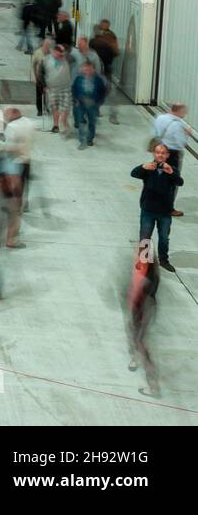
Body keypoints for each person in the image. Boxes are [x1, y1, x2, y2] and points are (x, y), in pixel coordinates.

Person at [132, 144, 183, 273]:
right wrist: (142, 167)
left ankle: (164, 260)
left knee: (164, 237)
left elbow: (180, 182)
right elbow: (134, 173)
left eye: (163, 153)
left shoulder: (172, 169)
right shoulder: (148, 168)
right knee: (145, 236)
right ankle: (143, 261)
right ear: (154, 154)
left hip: (164, 211)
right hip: (148, 209)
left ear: (167, 155)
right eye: (157, 152)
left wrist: (171, 172)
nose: (160, 155)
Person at [127, 250, 161, 398]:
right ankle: (135, 356)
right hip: (141, 307)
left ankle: (154, 387)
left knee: (141, 341)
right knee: (133, 332)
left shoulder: (147, 278)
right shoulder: (148, 273)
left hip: (143, 307)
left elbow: (141, 293)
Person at [1, 106, 36, 206]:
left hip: (15, 161)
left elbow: (9, 147)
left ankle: (16, 205)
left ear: (12, 114)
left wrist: (2, 146)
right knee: (24, 183)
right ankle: (25, 202)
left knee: (14, 184)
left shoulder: (12, 126)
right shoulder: (30, 122)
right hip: (27, 159)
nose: (5, 117)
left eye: (5, 114)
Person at [89, 19, 120, 124]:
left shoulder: (111, 37)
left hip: (106, 69)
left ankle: (112, 115)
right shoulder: (94, 41)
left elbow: (116, 51)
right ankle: (97, 110)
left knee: (110, 91)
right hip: (96, 70)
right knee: (98, 91)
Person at [71, 61, 107, 149]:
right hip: (81, 103)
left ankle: (90, 139)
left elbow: (103, 91)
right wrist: (75, 100)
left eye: (89, 69)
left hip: (93, 104)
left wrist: (99, 102)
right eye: (85, 68)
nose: (87, 71)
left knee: (92, 122)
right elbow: (74, 89)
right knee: (81, 122)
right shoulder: (78, 78)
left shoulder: (98, 80)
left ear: (93, 69)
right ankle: (82, 140)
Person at [43, 44, 73, 135]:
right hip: (52, 88)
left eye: (61, 53)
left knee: (65, 108)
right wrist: (44, 84)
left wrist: (64, 54)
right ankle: (55, 125)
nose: (59, 55)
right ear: (54, 51)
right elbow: (41, 72)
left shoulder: (66, 59)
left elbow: (72, 58)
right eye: (58, 53)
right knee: (54, 107)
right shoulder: (46, 59)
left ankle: (64, 123)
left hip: (65, 88)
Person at [31, 38, 51, 118]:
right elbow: (33, 66)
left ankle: (46, 108)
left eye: (48, 45)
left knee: (47, 95)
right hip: (39, 77)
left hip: (47, 78)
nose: (47, 47)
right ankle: (39, 110)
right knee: (39, 95)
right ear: (43, 44)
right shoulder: (37, 53)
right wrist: (35, 77)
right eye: (46, 45)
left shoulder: (50, 53)